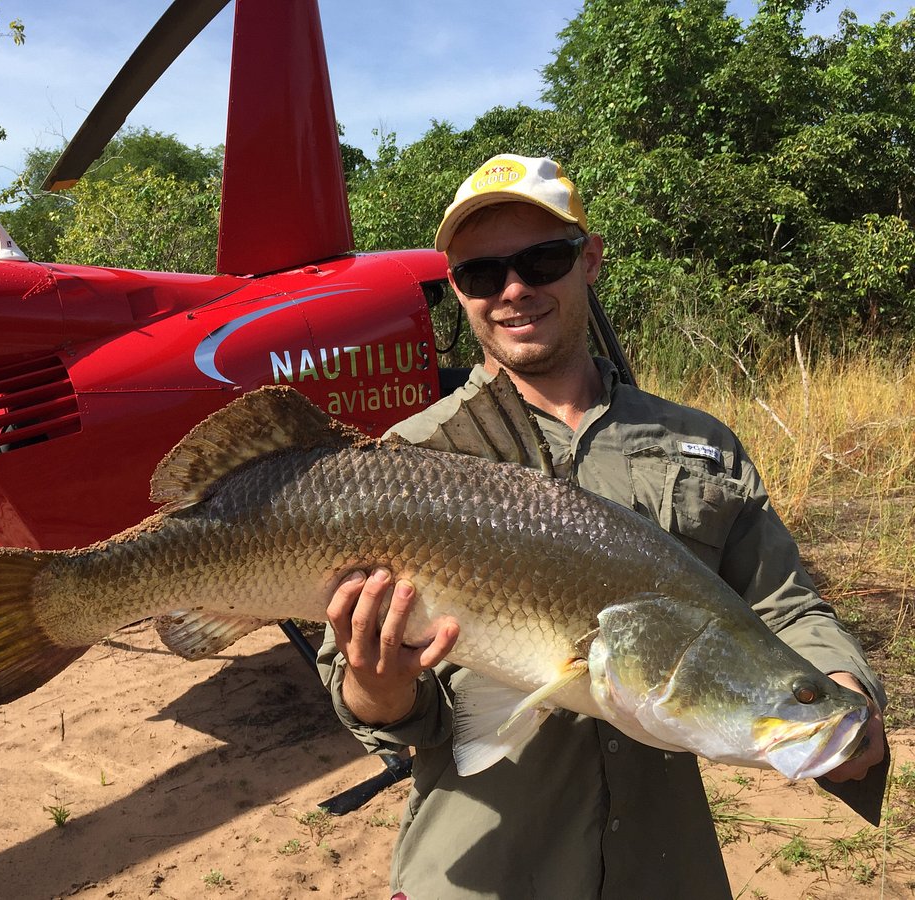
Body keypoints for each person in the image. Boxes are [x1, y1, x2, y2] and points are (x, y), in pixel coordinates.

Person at [316, 154, 887, 899]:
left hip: (665, 866)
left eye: (541, 259)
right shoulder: (410, 459)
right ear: (457, 291)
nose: (513, 290)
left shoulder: (701, 443)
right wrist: (377, 690)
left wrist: (836, 685)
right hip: (481, 871)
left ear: (589, 260)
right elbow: (366, 697)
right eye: (481, 275)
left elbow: (784, 604)